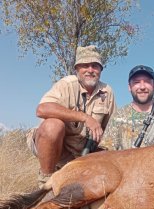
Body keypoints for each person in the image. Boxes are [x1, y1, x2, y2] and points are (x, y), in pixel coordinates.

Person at [27, 45, 116, 186]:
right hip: (57, 145)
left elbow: (111, 129)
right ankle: (45, 181)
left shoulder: (107, 91)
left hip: (82, 153)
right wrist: (85, 117)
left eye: (95, 66)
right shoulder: (67, 84)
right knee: (52, 126)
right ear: (77, 69)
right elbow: (42, 109)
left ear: (100, 70)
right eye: (85, 65)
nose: (90, 70)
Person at [102, 65, 154, 150]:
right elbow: (106, 152)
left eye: (147, 82)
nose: (142, 87)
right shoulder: (118, 116)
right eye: (136, 82)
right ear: (129, 87)